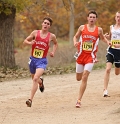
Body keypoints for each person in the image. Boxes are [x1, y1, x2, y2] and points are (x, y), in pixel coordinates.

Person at [73, 10, 110, 108]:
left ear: (96, 19)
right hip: (80, 56)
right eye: (90, 17)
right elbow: (75, 36)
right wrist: (75, 42)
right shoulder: (82, 27)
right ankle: (79, 95)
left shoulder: (99, 30)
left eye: (94, 17)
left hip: (90, 57)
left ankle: (79, 100)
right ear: (87, 18)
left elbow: (102, 38)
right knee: (78, 78)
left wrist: (108, 42)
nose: (92, 19)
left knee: (85, 76)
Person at [23, 17, 58, 107]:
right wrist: (30, 43)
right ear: (42, 24)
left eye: (48, 24)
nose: (46, 24)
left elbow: (55, 43)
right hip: (32, 59)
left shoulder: (51, 36)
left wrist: (53, 51)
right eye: (45, 23)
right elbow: (25, 41)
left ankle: (30, 100)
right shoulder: (35, 33)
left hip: (42, 61)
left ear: (49, 26)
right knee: (34, 78)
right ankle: (41, 82)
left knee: (35, 78)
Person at [103, 11, 120, 97]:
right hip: (111, 50)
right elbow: (111, 36)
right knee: (108, 69)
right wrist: (107, 36)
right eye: (117, 17)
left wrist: (119, 45)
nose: (118, 19)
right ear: (115, 17)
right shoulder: (111, 27)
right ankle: (105, 90)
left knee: (117, 72)